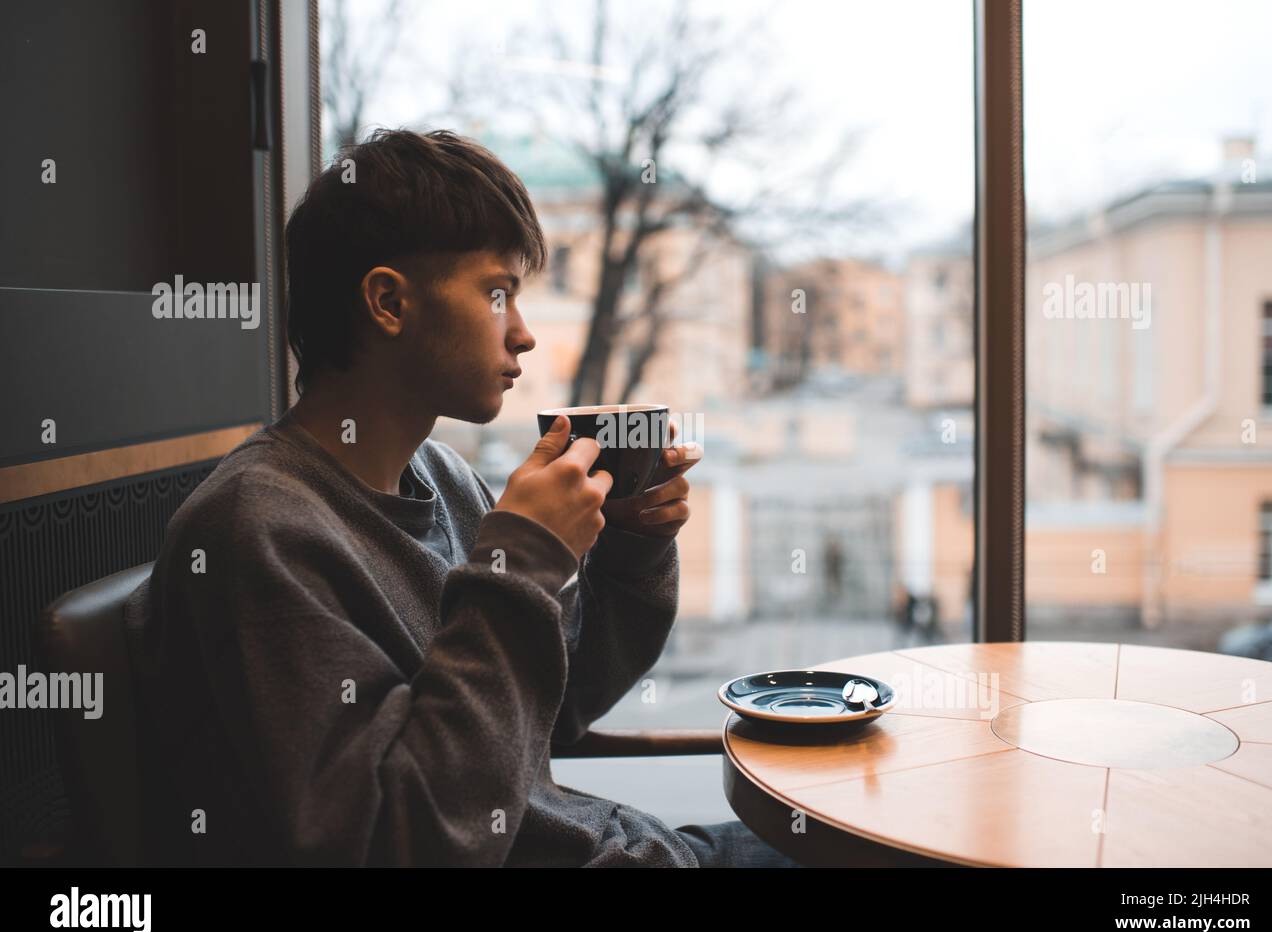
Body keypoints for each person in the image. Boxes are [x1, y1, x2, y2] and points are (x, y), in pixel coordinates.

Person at [124, 129, 799, 868]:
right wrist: (522, 568)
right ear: (387, 301)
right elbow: (398, 839)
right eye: (497, 292)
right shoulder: (260, 528)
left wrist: (629, 552)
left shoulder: (442, 477)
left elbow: (557, 707)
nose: (526, 334)